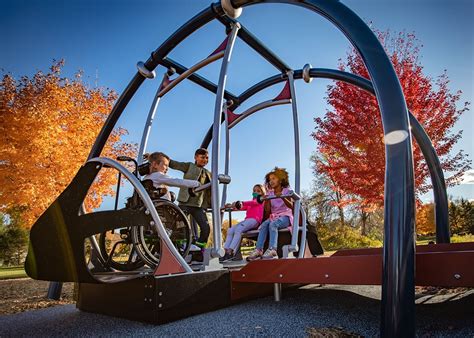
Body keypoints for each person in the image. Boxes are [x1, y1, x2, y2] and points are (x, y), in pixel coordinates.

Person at [246, 167, 294, 261]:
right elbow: (268, 211)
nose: (271, 181)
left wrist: (283, 197)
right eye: (270, 179)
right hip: (274, 216)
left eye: (274, 178)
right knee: (264, 225)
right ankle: (259, 249)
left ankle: (273, 249)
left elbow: (292, 206)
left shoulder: (286, 191)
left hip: (286, 216)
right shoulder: (270, 193)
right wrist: (267, 201)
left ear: (280, 180)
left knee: (273, 224)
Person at [169, 148, 212, 248]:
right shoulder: (189, 166)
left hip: (198, 205)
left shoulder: (208, 173)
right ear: (195, 157)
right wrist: (160, 158)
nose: (205, 160)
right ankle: (179, 247)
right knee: (180, 226)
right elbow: (174, 164)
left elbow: (211, 188)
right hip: (185, 203)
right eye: (202, 157)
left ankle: (199, 248)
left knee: (206, 228)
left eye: (207, 158)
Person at [220, 184, 266, 262]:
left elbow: (250, 203)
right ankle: (225, 250)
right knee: (230, 230)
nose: (256, 192)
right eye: (254, 191)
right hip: (247, 220)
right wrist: (231, 206)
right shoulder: (251, 203)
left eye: (258, 191)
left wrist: (241, 202)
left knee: (238, 229)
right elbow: (241, 207)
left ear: (262, 193)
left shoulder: (260, 200)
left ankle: (231, 251)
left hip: (255, 220)